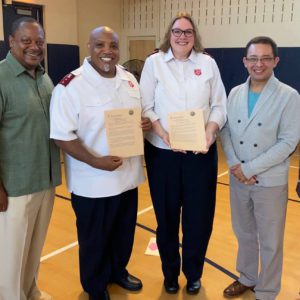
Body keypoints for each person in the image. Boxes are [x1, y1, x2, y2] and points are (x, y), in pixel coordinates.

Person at [50, 26, 151, 300]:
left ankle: (118, 271)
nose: (107, 51)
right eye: (100, 45)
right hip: (92, 182)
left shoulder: (129, 79)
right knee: (94, 240)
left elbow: (134, 119)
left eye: (113, 46)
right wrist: (95, 161)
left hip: (127, 176)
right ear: (89, 47)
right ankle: (95, 287)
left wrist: (141, 124)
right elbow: (62, 136)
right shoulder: (71, 85)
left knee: (123, 233)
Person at [139, 12, 227, 295]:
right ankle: (169, 274)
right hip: (163, 153)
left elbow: (219, 106)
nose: (182, 36)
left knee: (198, 218)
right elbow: (146, 105)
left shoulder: (208, 63)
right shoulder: (154, 63)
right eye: (177, 31)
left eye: (188, 32)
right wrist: (163, 133)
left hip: (201, 155)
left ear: (194, 36)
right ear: (170, 33)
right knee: (166, 218)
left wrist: (210, 130)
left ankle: (193, 274)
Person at [220, 36, 300, 300]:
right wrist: (234, 164)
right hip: (239, 178)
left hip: (269, 181)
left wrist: (251, 167)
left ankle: (266, 291)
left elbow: (288, 141)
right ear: (245, 61)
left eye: (266, 58)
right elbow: (227, 130)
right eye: (253, 58)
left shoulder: (289, 96)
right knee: (243, 232)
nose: (259, 64)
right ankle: (247, 277)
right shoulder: (235, 93)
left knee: (270, 240)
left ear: (275, 61)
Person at [0, 17, 61, 300]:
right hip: (14, 185)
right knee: (11, 254)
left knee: (35, 246)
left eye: (39, 41)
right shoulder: (1, 78)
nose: (34, 46)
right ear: (11, 42)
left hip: (45, 179)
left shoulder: (44, 77)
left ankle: (30, 290)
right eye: (26, 40)